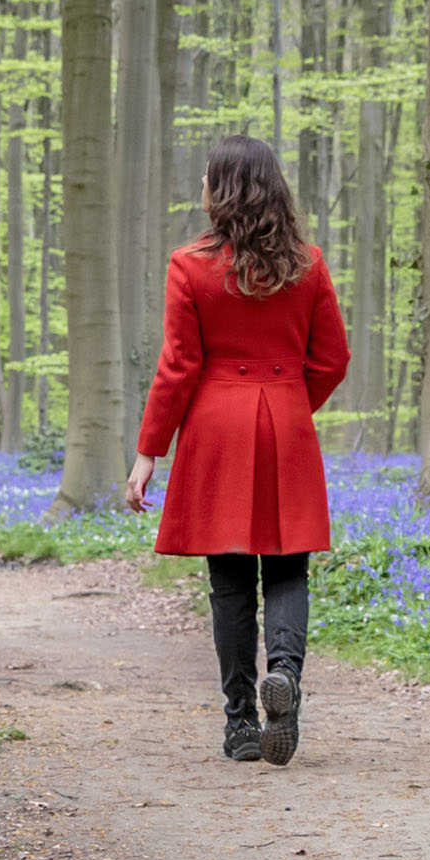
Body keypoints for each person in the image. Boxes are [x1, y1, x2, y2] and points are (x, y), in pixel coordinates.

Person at [120, 137, 350, 764]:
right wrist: (291, 405)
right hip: (286, 420)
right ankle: (286, 674)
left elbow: (177, 368)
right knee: (286, 567)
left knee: (228, 580)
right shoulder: (307, 264)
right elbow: (333, 360)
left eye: (206, 176)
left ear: (220, 190)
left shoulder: (189, 266)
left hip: (215, 427)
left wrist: (148, 454)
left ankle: (241, 723)